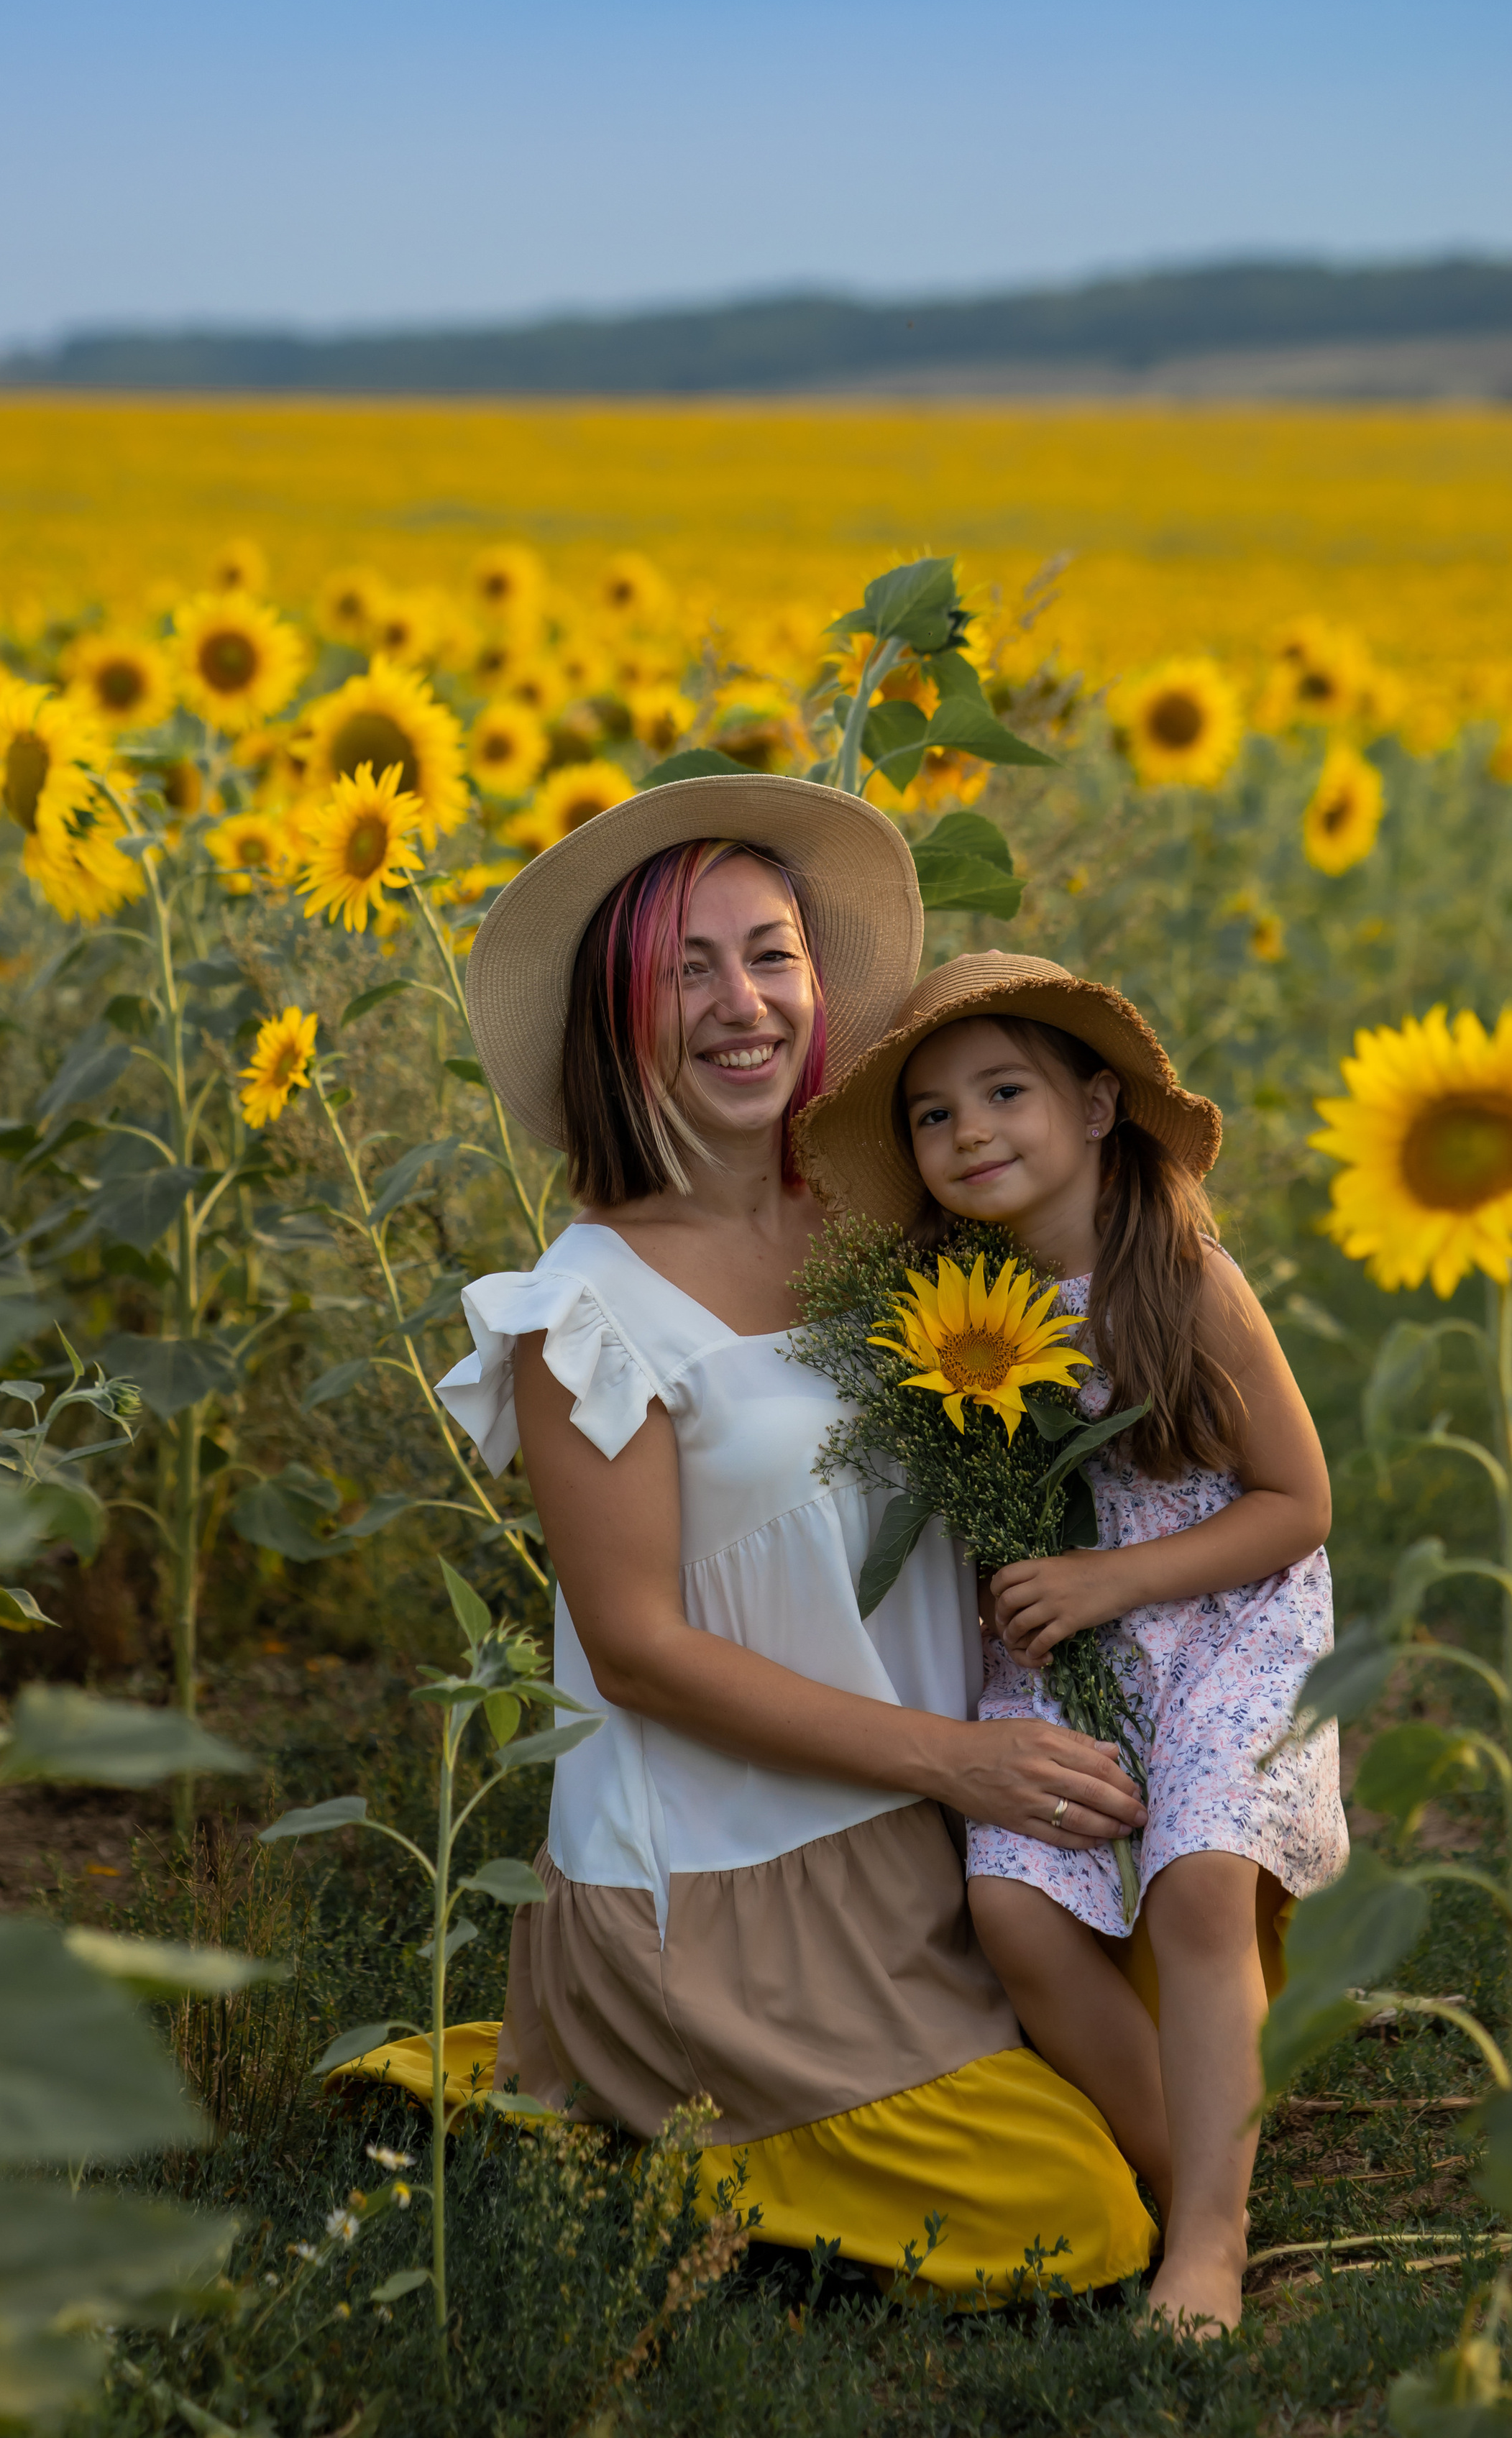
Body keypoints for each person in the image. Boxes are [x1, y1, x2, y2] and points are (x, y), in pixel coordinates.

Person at [385, 777, 1157, 2301]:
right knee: (1073, 2216)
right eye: (686, 970)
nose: (738, 1005)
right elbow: (638, 1653)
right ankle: (639, 2101)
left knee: (1210, 1943)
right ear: (617, 1021)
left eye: (770, 955)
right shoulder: (585, 1313)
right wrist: (955, 1764)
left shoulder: (889, 1225)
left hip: (947, 1814)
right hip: (742, 1873)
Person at [795, 949, 1347, 2335]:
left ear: (1100, 1107)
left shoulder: (1182, 1281)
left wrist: (1109, 1581)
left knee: (1200, 1883)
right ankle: (1187, 2183)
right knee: (1015, 1906)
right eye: (932, 1115)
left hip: (1229, 1622)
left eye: (1004, 1091)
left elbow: (1300, 1503)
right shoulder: (948, 1314)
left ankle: (1210, 2245)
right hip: (1070, 1643)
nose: (969, 1130)